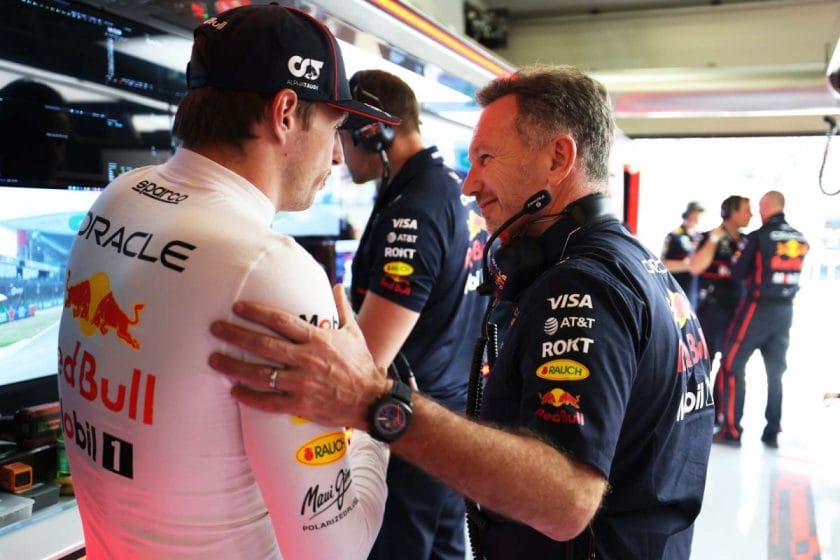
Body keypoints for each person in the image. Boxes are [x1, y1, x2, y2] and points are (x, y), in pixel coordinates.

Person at [209, 64, 716, 559]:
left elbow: (568, 500)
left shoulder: (583, 285)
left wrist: (372, 402)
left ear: (558, 158)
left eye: (486, 159)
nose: (469, 185)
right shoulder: (634, 264)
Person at [56, 5, 402, 559]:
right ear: (285, 112)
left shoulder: (117, 198)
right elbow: (334, 551)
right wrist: (371, 416)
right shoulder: (271, 269)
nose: (338, 155)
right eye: (334, 126)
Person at [339, 69, 487, 560]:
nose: (339, 152)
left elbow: (369, 355)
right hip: (452, 415)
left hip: (411, 425)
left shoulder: (414, 209)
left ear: (373, 131)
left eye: (342, 133)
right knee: (444, 550)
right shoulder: (448, 188)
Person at [713, 190, 808, 448]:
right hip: (786, 311)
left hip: (758, 309)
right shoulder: (800, 237)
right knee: (776, 373)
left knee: (731, 363)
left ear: (766, 207)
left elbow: (737, 272)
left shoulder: (759, 237)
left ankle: (731, 430)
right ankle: (772, 431)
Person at [689, 194, 752, 423]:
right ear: (732, 213)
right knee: (703, 363)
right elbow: (695, 267)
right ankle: (695, 412)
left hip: (738, 311)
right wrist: (715, 239)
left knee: (730, 363)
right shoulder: (710, 237)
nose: (751, 215)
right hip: (711, 310)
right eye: (746, 210)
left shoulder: (748, 241)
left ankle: (717, 413)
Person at [661, 201, 704, 306]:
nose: (697, 217)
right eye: (696, 213)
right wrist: (690, 265)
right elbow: (663, 264)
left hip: (695, 293)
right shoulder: (674, 236)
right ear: (689, 213)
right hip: (677, 291)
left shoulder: (700, 237)